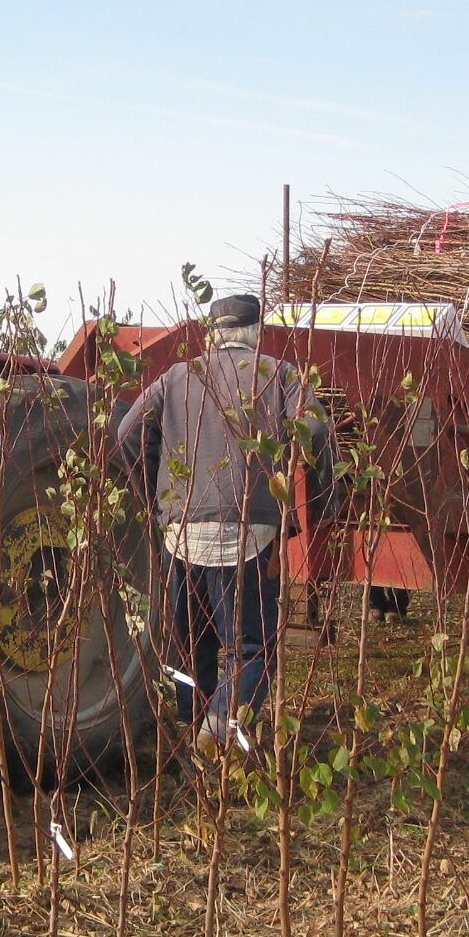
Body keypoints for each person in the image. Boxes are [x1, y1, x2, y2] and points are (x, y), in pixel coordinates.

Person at [116, 293, 329, 757]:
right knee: (253, 647)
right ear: (258, 332)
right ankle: (217, 728)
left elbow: (127, 432)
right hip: (250, 533)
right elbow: (315, 430)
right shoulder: (280, 373)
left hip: (182, 530)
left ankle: (194, 734)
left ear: (212, 333)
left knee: (192, 649)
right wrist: (308, 496)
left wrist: (155, 498)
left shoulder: (176, 376)